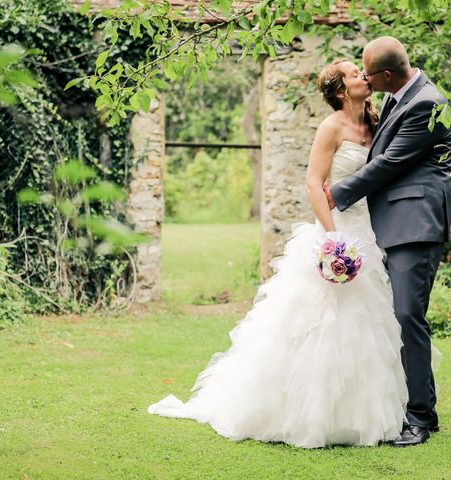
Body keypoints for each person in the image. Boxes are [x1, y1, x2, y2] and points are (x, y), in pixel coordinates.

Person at [148, 59, 408, 449]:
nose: (363, 77)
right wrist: (332, 240)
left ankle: (360, 414)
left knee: (366, 322)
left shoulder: (376, 122)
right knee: (320, 320)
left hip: (368, 232)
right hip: (336, 231)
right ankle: (305, 412)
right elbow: (313, 184)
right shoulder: (331, 127)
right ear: (339, 90)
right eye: (355, 74)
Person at [326, 36, 451, 447]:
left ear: (385, 74)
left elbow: (391, 161)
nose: (363, 77)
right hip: (391, 224)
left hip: (414, 225)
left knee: (407, 317)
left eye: (367, 72)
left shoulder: (425, 102)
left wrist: (339, 194)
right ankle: (417, 410)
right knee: (396, 318)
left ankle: (419, 417)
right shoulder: (399, 97)